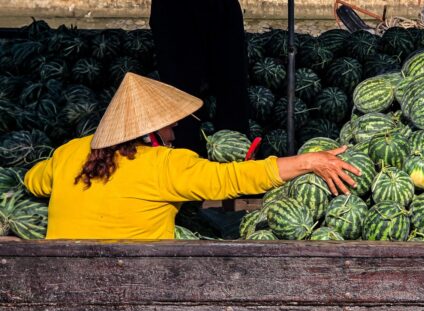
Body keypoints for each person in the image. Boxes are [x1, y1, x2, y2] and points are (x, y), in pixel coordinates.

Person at [23, 73, 359, 240]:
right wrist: (311, 161)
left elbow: (33, 181)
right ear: (151, 133)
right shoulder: (165, 165)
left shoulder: (70, 152)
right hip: (141, 290)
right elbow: (232, 179)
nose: (173, 134)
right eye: (170, 128)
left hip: (64, 292)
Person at [149, 0, 250, 154]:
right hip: (174, 11)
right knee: (179, 94)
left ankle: (237, 153)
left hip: (220, 8)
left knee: (232, 88)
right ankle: (183, 160)